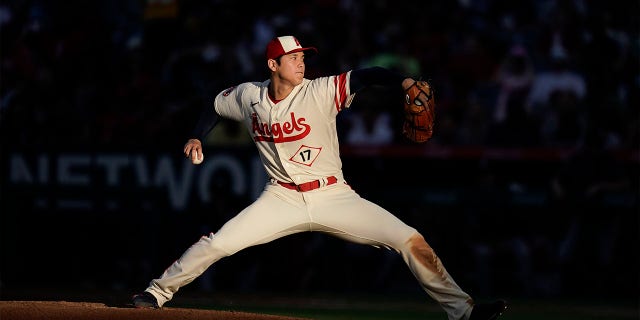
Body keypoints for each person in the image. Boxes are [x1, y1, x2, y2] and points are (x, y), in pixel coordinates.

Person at [131, 35, 507, 320]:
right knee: (217, 245)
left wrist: (405, 83)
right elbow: (214, 104)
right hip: (280, 198)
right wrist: (198, 134)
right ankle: (155, 293)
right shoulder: (249, 96)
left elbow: (367, 75)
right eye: (293, 58)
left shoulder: (321, 90)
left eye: (302, 57)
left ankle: (464, 312)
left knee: (410, 240)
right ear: (273, 65)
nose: (301, 63)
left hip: (334, 197)